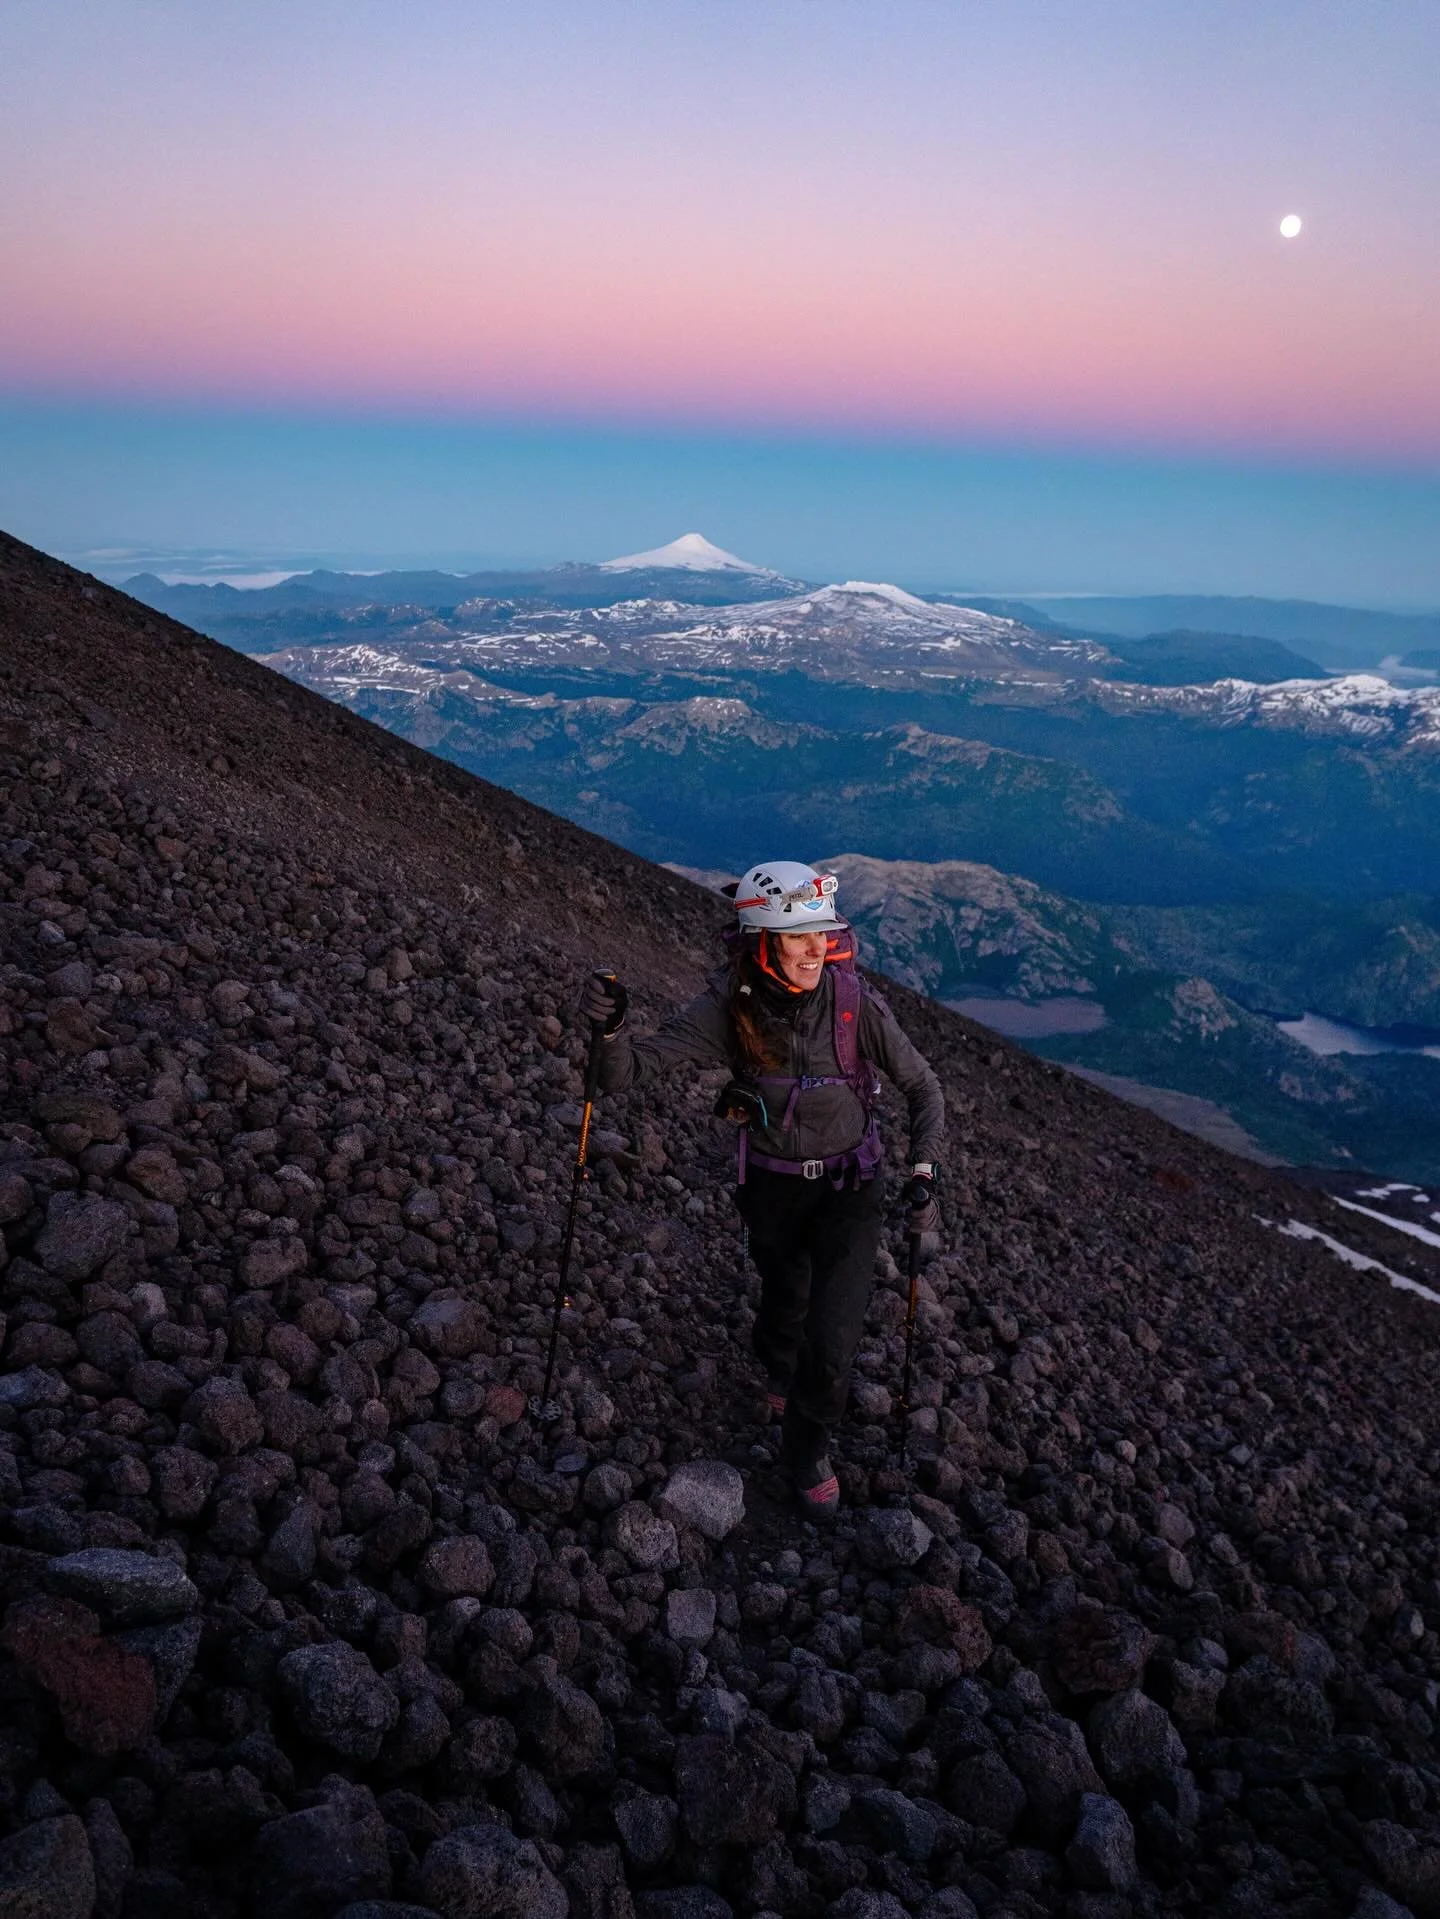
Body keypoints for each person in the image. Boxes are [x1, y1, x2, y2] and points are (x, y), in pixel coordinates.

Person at [578, 859, 944, 1518]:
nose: (816, 949)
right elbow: (622, 1075)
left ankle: (805, 1450)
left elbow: (923, 1086)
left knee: (832, 1341)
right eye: (798, 935)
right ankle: (778, 1365)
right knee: (785, 1291)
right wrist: (610, 1029)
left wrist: (923, 1173)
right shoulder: (730, 1005)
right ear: (763, 942)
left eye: (821, 934)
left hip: (851, 1188)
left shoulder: (853, 1003)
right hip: (772, 1188)